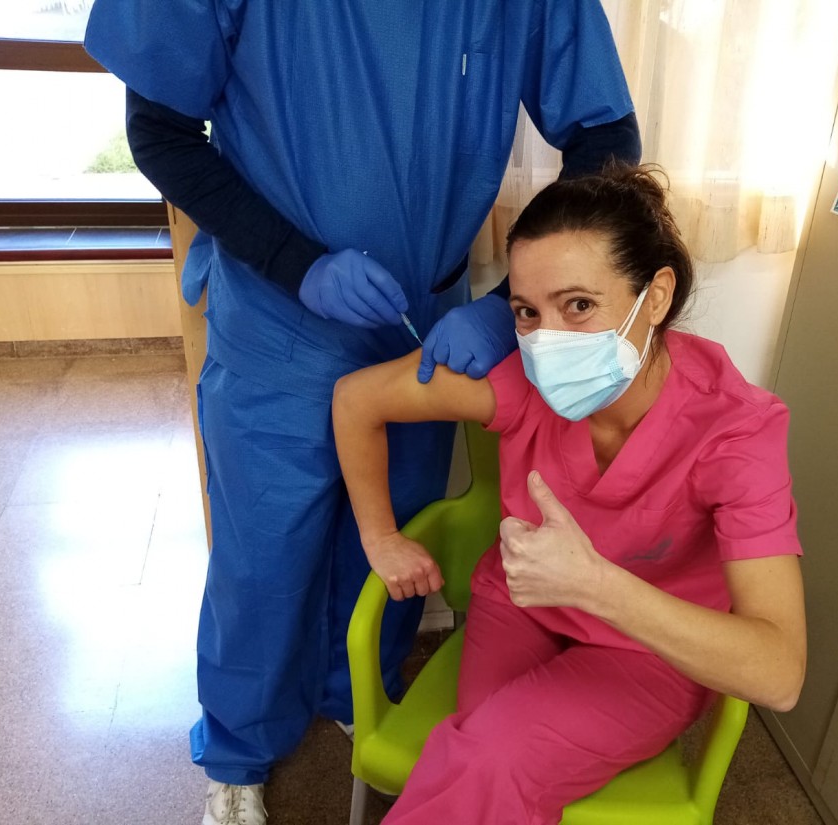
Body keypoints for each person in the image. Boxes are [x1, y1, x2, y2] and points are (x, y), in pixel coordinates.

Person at [82, 2, 641, 822]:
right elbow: (160, 131)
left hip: (422, 324)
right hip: (278, 323)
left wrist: (508, 307)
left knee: (394, 539)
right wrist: (294, 262)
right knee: (261, 558)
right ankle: (238, 750)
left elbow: (605, 136)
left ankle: (358, 694)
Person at [332, 164, 807, 824]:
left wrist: (595, 585)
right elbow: (356, 399)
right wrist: (380, 537)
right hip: (524, 602)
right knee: (486, 762)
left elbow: (779, 672)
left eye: (578, 305)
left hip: (649, 646)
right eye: (526, 312)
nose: (547, 341)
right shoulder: (522, 383)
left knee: (491, 760)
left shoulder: (735, 431)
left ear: (656, 296)